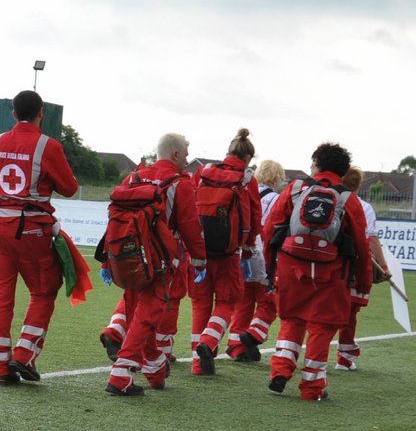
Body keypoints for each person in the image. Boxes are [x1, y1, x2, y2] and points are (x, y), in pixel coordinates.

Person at [0, 90, 79, 384]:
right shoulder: (48, 146)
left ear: (13, 113)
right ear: (41, 112)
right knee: (44, 291)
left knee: (1, 297)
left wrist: (2, 199)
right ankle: (24, 354)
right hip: (32, 228)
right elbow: (69, 188)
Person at [260, 142, 370, 402]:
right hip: (331, 273)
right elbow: (361, 246)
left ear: (317, 165)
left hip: (291, 266)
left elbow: (270, 230)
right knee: (322, 326)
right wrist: (363, 282)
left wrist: (270, 265)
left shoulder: (295, 189)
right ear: (343, 172)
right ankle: (311, 387)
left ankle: (281, 370)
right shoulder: (349, 199)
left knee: (292, 319)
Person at [105, 133, 206, 395]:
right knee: (147, 317)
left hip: (128, 255)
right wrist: (199, 259)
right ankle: (121, 374)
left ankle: (155, 370)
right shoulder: (180, 184)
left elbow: (115, 217)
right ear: (175, 154)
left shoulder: (133, 177)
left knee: (137, 312)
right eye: (185, 153)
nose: (186, 158)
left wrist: (108, 258)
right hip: (159, 260)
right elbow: (189, 227)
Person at [190, 128, 262, 376]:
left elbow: (188, 204)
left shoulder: (204, 171)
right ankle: (208, 343)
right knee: (227, 302)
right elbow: (254, 214)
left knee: (200, 304)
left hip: (199, 250)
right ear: (249, 158)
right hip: (228, 252)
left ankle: (197, 364)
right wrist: (250, 245)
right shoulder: (246, 178)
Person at [333, 166, 392, 371]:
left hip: (330, 264)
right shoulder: (363, 206)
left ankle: (308, 355)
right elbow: (371, 238)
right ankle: (344, 358)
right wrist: (383, 266)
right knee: (349, 311)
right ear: (358, 185)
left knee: (325, 310)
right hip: (353, 266)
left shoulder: (331, 198)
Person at [227, 158, 285, 363]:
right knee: (268, 301)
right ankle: (254, 334)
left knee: (243, 301)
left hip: (242, 252)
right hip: (263, 255)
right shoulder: (277, 199)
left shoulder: (245, 192)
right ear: (277, 178)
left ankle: (236, 346)